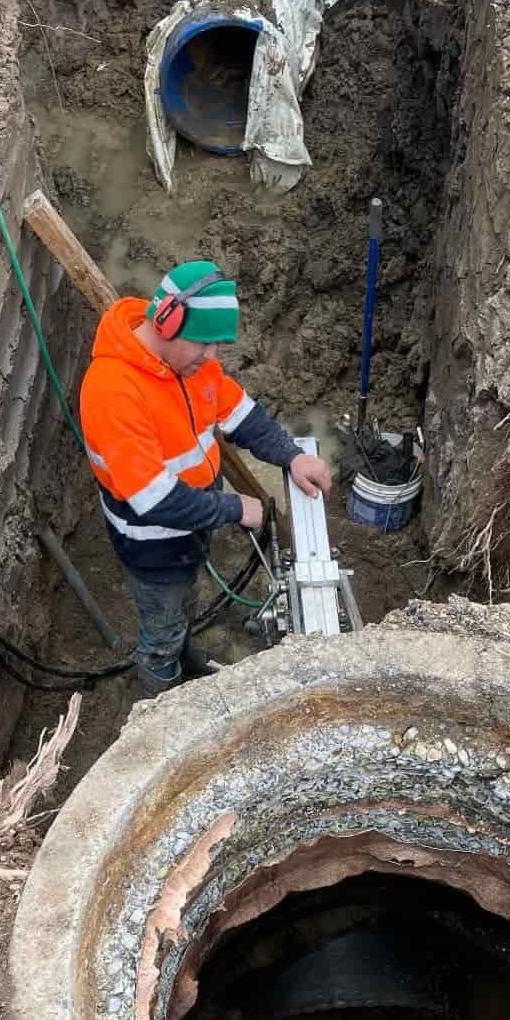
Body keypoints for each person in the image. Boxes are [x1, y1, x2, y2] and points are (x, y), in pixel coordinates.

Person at [79, 259, 333, 697]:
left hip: (190, 530)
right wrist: (235, 508)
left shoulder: (191, 367)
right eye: (205, 343)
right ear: (167, 322)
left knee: (184, 606)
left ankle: (185, 654)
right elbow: (156, 501)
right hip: (152, 547)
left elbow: (241, 416)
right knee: (162, 628)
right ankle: (164, 698)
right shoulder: (112, 392)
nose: (212, 357)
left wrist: (291, 457)